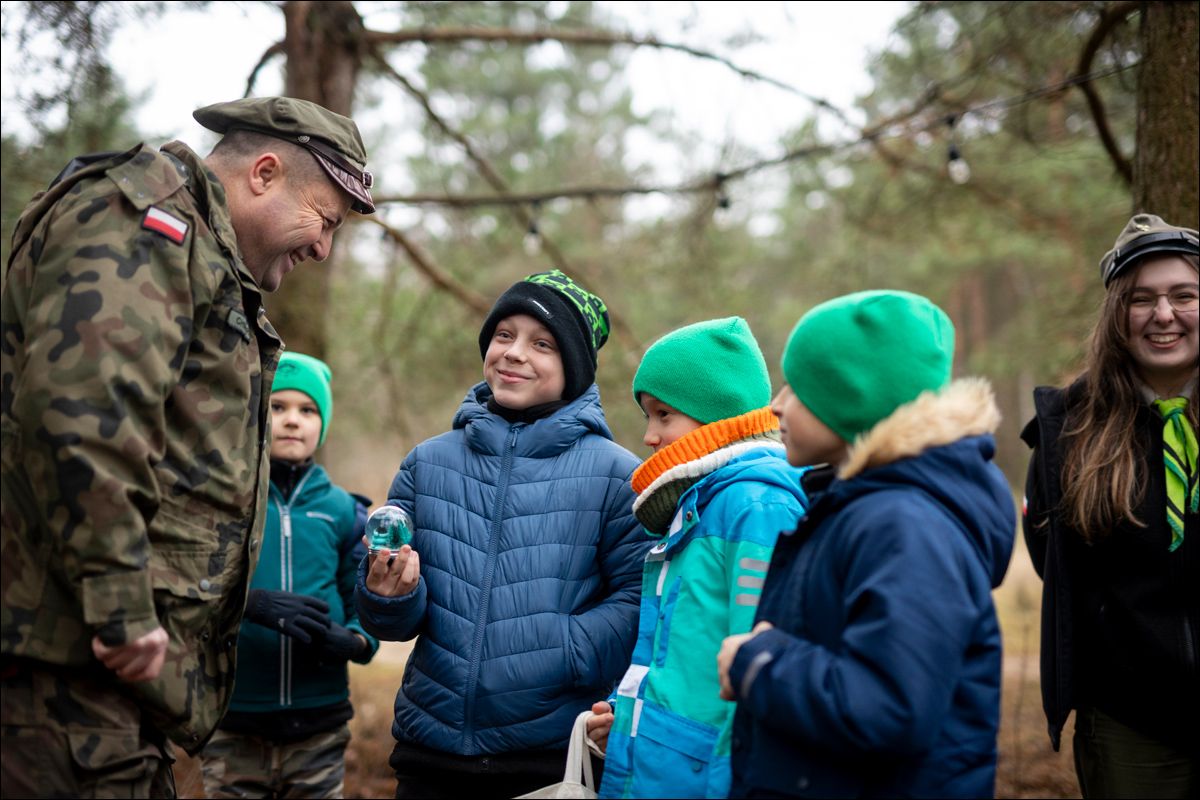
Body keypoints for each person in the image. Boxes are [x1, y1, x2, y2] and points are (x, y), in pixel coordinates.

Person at [1, 96, 374, 797]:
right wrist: (120, 602)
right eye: (323, 221)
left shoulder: (203, 254)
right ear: (264, 173)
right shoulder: (146, 222)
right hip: (67, 669)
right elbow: (85, 409)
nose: (323, 248)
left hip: (106, 681)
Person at [353, 270, 652, 799]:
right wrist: (387, 593)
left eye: (542, 344)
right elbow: (393, 621)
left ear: (574, 368)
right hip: (430, 753)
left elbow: (638, 598)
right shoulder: (427, 463)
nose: (514, 353)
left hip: (548, 757)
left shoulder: (617, 475)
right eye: (504, 335)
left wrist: (563, 648)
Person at [717, 290, 1016, 798]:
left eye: (798, 387)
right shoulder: (856, 507)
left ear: (852, 397)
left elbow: (891, 706)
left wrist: (759, 663)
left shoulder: (904, 526)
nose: (776, 404)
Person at [581, 317, 809, 799]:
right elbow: (681, 657)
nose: (650, 436)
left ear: (715, 413)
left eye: (663, 414)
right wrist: (628, 716)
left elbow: (758, 673)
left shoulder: (755, 507)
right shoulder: (697, 506)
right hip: (663, 773)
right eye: (648, 416)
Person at [1022, 214, 1198, 798]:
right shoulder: (1069, 431)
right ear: (1116, 316)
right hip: (1130, 722)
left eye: (1185, 295)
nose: (1164, 314)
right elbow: (1054, 563)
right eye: (1141, 299)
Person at [199, 352, 381, 799]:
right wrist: (252, 604)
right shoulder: (225, 502)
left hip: (320, 722)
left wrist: (353, 641)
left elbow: (363, 602)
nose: (292, 420)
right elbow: (193, 592)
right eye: (277, 406)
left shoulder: (345, 511)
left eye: (308, 410)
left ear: (323, 423)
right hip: (233, 717)